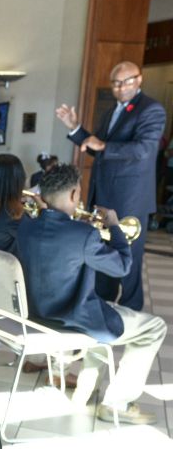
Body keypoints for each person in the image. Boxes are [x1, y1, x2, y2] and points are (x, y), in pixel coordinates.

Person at [17, 164, 167, 424]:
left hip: (38, 315)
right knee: (154, 327)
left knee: (108, 306)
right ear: (75, 194)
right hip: (73, 319)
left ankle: (84, 393)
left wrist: (81, 227)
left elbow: (61, 240)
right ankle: (118, 403)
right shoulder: (84, 234)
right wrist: (114, 227)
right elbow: (122, 266)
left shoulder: (26, 226)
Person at [56, 60, 166, 311]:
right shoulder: (112, 111)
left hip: (130, 198)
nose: (120, 87)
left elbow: (144, 149)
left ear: (139, 79)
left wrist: (103, 146)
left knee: (128, 260)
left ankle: (131, 311)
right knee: (103, 252)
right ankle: (103, 306)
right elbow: (99, 148)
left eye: (126, 81)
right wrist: (75, 129)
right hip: (104, 193)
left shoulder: (151, 109)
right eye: (115, 83)